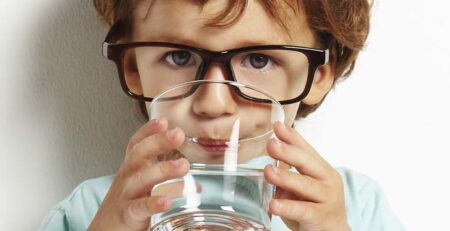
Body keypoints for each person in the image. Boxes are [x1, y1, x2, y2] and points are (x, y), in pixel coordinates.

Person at [39, 0, 405, 230]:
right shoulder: (96, 209)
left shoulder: (353, 206)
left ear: (317, 75)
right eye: (179, 57)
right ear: (132, 66)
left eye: (259, 60)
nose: (214, 102)